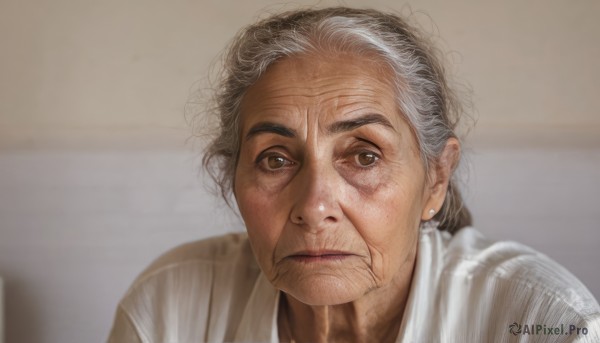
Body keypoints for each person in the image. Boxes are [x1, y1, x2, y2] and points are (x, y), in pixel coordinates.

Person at [107, 7, 600, 342]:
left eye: (364, 156)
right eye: (275, 158)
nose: (315, 206)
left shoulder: (546, 322)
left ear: (435, 179)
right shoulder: (169, 312)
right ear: (232, 180)